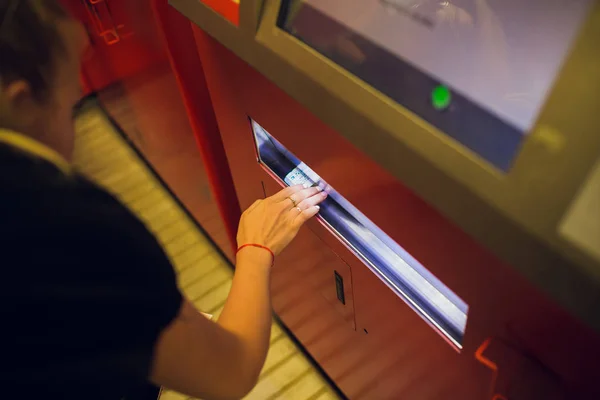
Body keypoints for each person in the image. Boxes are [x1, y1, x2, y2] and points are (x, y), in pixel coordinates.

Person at [0, 1, 326, 399]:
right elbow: (230, 373)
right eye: (70, 104)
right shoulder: (63, 227)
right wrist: (256, 249)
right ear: (20, 102)